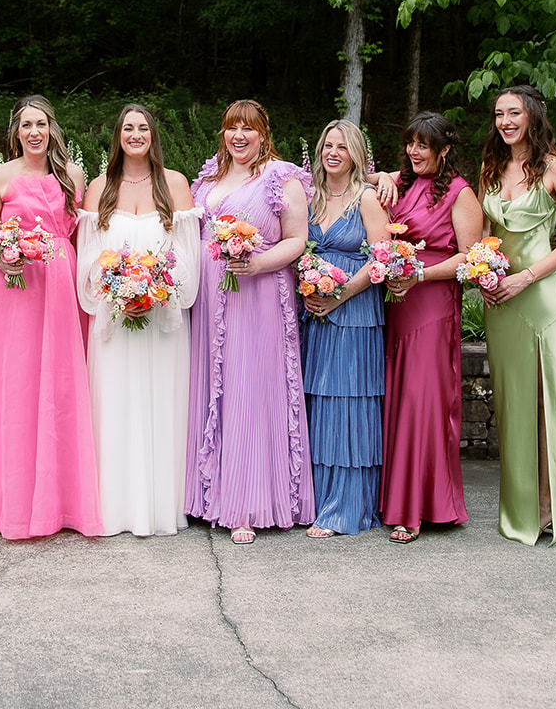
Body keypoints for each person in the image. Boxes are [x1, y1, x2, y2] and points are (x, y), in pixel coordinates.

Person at [0, 95, 102, 540]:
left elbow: (81, 236)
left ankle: (58, 501)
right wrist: (3, 257)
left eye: (41, 124)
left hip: (60, 289)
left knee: (58, 386)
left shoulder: (72, 175)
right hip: (13, 290)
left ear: (52, 130)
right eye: (26, 124)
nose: (34, 132)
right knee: (12, 384)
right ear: (16, 132)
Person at [185, 99, 315, 544]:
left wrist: (259, 264)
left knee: (248, 391)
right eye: (230, 128)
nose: (238, 136)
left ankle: (248, 501)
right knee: (210, 388)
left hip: (257, 296)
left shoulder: (282, 177)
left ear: (264, 132)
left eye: (248, 128)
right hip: (208, 300)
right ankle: (209, 497)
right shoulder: (209, 178)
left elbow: (298, 239)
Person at [75, 105, 201, 536]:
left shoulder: (175, 185)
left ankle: (160, 508)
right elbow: (88, 260)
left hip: (162, 323)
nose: (135, 134)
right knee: (113, 407)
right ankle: (115, 509)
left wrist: (155, 292)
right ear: (117, 136)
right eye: (128, 127)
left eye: (143, 127)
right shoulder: (98, 188)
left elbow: (189, 256)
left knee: (161, 405)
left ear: (153, 135)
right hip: (114, 324)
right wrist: (116, 292)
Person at [479, 85, 556, 544]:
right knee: (511, 405)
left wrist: (526, 278)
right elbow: (485, 235)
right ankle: (519, 507)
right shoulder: (490, 169)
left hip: (539, 299)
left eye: (514, 113)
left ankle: (546, 508)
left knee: (544, 403)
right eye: (499, 114)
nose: (505, 121)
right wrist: (482, 273)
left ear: (533, 117)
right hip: (499, 302)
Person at [374, 113, 483, 543]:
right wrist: (382, 173)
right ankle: (392, 499)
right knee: (396, 400)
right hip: (395, 307)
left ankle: (418, 508)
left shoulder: (461, 193)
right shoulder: (399, 184)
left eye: (423, 145)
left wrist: (419, 274)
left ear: (445, 150)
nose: (414, 152)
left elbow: (471, 258)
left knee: (422, 403)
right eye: (410, 144)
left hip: (432, 306)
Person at [300, 121, 390, 536]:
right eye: (327, 144)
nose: (333, 152)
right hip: (316, 315)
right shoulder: (310, 195)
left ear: (356, 153)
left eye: (342, 146)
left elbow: (382, 259)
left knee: (348, 403)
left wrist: (342, 294)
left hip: (355, 313)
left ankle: (345, 508)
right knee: (317, 403)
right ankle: (315, 500)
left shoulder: (367, 199)